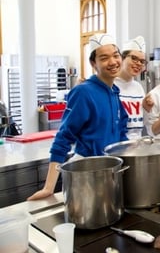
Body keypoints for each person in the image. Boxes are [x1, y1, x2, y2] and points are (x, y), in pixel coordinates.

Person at [28, 33, 129, 200]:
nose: (112, 62)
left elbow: (121, 133)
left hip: (110, 173)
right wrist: (49, 188)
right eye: (104, 58)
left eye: (115, 55)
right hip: (86, 174)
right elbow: (64, 137)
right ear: (93, 63)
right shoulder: (83, 92)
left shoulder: (114, 92)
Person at [115, 35, 149, 139]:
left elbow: (140, 124)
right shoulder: (111, 85)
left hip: (135, 147)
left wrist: (147, 109)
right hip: (116, 146)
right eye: (134, 58)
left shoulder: (138, 87)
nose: (138, 64)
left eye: (142, 61)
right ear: (122, 58)